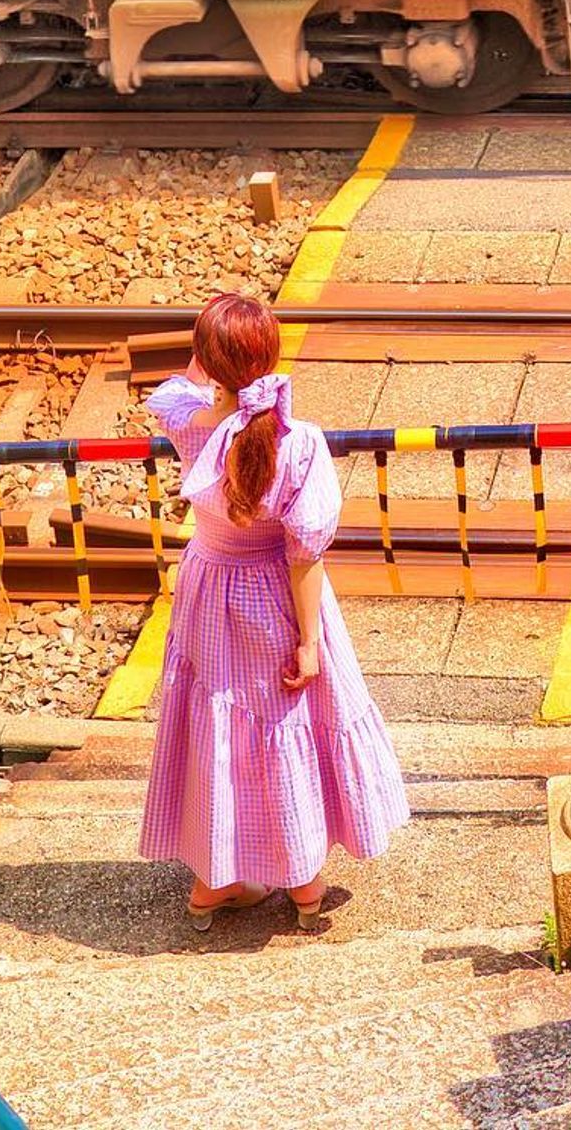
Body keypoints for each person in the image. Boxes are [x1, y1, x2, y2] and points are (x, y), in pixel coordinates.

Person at [138, 291, 409, 931]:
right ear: (272, 357)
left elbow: (177, 388)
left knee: (220, 723)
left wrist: (209, 362)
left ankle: (213, 883)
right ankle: (306, 886)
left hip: (209, 589)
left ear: (208, 362)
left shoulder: (189, 423)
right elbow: (304, 556)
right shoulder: (300, 443)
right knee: (285, 719)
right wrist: (310, 643)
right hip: (275, 597)